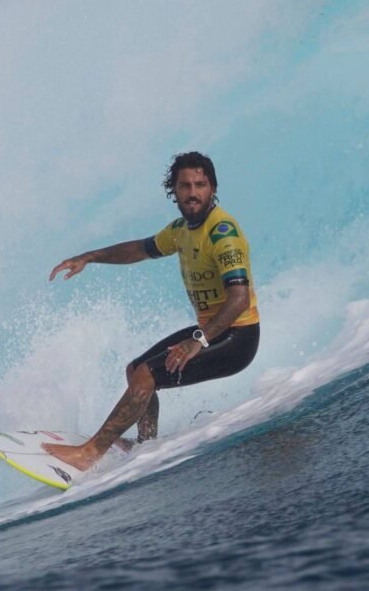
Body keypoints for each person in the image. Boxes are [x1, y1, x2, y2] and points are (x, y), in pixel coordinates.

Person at [42, 152, 260, 471]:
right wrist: (89, 257)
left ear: (213, 188)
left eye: (200, 184)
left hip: (237, 338)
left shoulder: (222, 233)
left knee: (147, 376)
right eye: (185, 185)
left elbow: (238, 298)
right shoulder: (180, 231)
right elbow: (139, 250)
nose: (193, 192)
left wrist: (197, 340)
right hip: (213, 331)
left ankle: (89, 454)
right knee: (137, 370)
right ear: (174, 191)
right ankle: (147, 446)